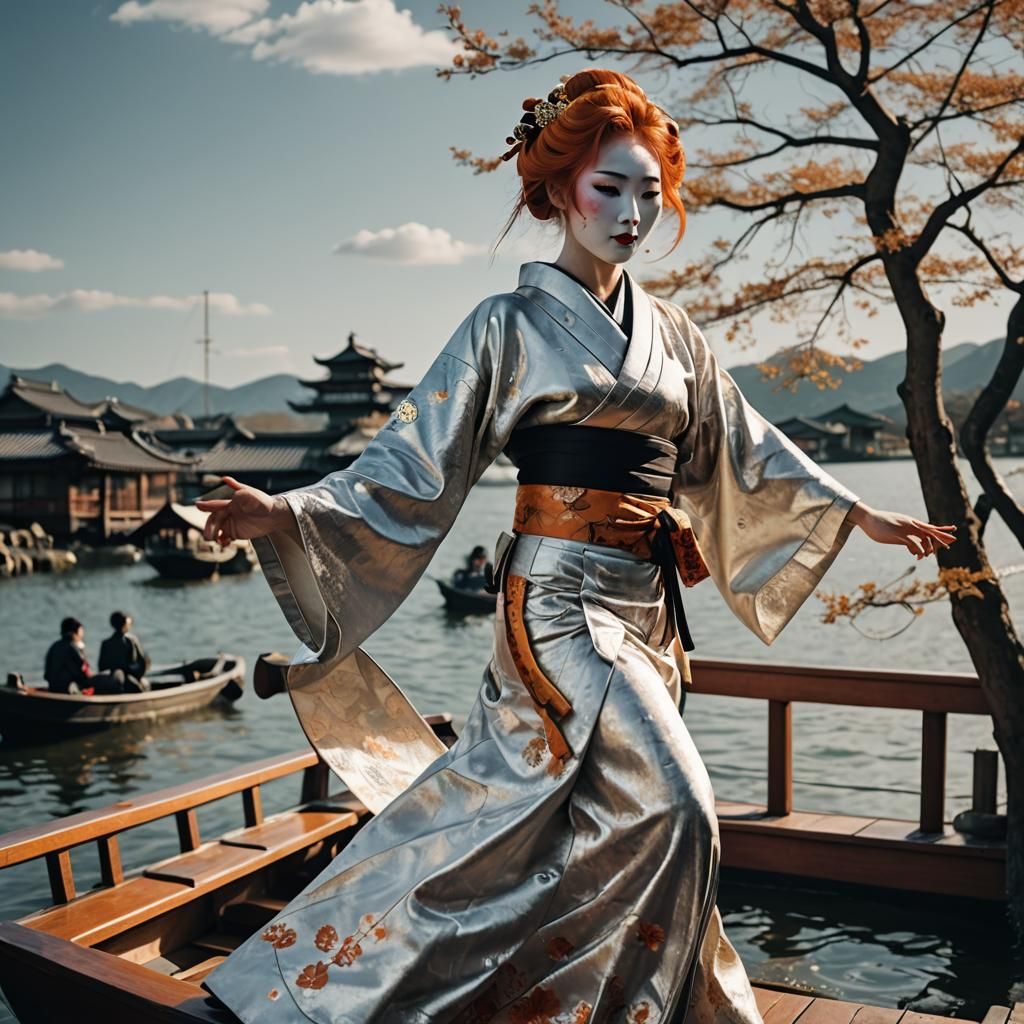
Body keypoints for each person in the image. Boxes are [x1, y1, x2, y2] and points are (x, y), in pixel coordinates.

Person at [196, 69, 955, 1024]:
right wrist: (291, 511)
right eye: (610, 188)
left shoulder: (674, 335)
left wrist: (854, 512)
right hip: (555, 607)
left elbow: (744, 443)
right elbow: (413, 460)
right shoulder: (506, 327)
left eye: (651, 191)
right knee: (680, 809)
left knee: (587, 824)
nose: (635, 212)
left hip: (647, 609)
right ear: (559, 192)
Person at [44, 617, 128, 695]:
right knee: (116, 676)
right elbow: (84, 673)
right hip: (70, 687)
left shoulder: (54, 646)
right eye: (81, 632)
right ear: (75, 632)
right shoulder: (72, 646)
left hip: (53, 687)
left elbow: (47, 675)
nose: (82, 635)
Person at [98, 610, 151, 691]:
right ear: (124, 625)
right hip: (128, 677)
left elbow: (102, 667)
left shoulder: (105, 643)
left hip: (113, 678)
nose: (130, 626)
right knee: (141, 687)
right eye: (129, 624)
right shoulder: (131, 640)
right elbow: (141, 662)